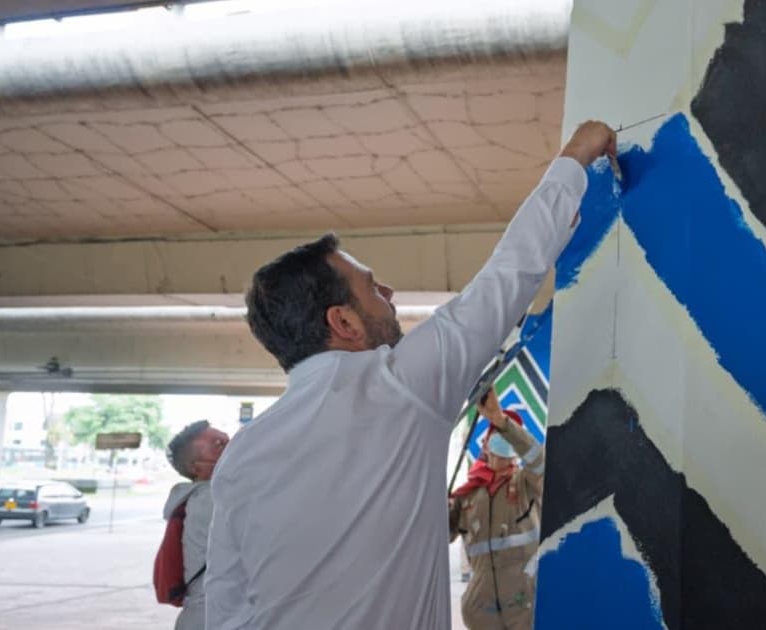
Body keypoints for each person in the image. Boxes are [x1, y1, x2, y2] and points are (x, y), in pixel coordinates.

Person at [204, 121, 617, 630]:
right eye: (373, 288)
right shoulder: (397, 386)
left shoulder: (241, 456)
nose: (391, 293)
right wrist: (577, 154)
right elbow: (510, 273)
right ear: (344, 322)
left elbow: (224, 611)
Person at [450, 389, 544, 630]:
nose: (504, 439)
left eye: (509, 435)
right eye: (497, 433)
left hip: (525, 608)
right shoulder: (467, 495)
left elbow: (541, 461)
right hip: (483, 613)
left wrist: (501, 422)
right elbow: (439, 535)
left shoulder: (527, 483)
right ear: (487, 443)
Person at [162, 420, 230, 630]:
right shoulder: (211, 500)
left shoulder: (208, 497)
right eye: (218, 444)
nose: (231, 446)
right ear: (197, 468)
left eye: (227, 439)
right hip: (212, 617)